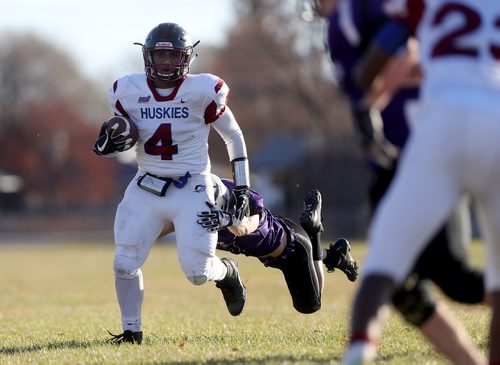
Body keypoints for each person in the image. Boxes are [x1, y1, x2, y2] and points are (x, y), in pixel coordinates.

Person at [300, 0, 487, 363]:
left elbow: (393, 54)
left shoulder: (354, 21)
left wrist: (379, 86)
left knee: (449, 278)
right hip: (414, 157)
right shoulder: (358, 23)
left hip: (427, 156)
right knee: (406, 284)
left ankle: (360, 350)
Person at [93, 22, 252, 344]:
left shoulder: (203, 90)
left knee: (198, 272)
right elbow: (124, 137)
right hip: (146, 184)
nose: (166, 63)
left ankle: (227, 272)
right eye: (160, 55)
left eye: (173, 55)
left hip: (192, 185)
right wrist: (107, 147)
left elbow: (233, 135)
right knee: (124, 262)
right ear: (147, 56)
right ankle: (131, 331)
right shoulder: (127, 90)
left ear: (187, 58)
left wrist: (243, 186)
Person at [192, 174, 359, 314]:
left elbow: (246, 227)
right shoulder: (198, 209)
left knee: (310, 305)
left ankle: (314, 232)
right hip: (274, 251)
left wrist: (227, 220)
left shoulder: (240, 200)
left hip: (293, 249)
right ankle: (336, 256)